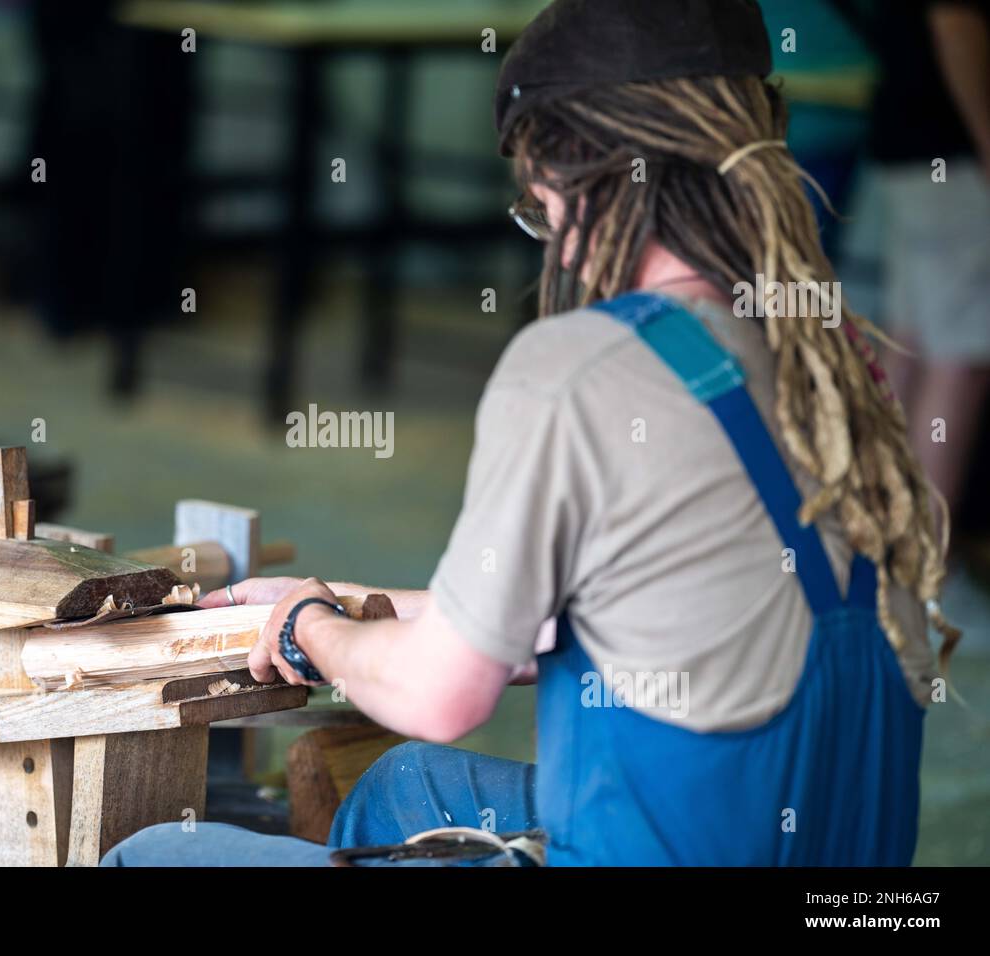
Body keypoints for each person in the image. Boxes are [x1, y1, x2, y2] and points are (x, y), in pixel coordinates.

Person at [103, 0, 957, 867]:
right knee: (406, 786)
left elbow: (444, 695)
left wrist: (310, 632)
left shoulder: (579, 365)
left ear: (573, 165)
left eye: (540, 209)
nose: (563, 252)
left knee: (151, 857)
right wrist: (359, 603)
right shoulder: (834, 354)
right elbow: (647, 606)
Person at [866, 0, 990, 523]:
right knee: (958, 362)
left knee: (908, 346)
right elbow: (953, 18)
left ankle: (886, 544)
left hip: (909, 148)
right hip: (951, 159)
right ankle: (929, 576)